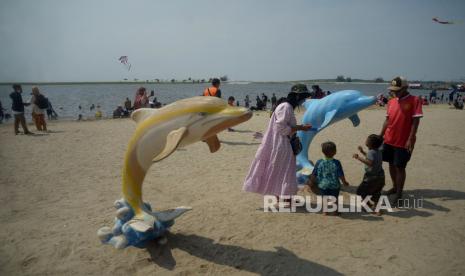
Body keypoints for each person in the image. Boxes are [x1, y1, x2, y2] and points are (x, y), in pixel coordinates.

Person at [243, 92, 312, 206]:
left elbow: (281, 125)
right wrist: (301, 127)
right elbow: (280, 126)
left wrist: (299, 128)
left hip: (277, 143)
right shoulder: (286, 107)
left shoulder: (283, 106)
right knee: (287, 171)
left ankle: (280, 198)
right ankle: (287, 200)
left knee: (278, 170)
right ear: (297, 98)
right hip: (281, 144)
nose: (302, 103)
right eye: (302, 100)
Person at [380, 76, 422, 203]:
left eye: (397, 90)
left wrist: (411, 138)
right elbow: (387, 120)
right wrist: (380, 135)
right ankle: (394, 186)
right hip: (389, 139)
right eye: (393, 90)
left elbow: (416, 121)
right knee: (391, 164)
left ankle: (399, 193)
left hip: (403, 141)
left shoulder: (415, 100)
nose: (394, 92)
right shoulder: (391, 101)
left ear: (405, 88)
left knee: (400, 167)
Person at [307, 141, 349, 215]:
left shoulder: (319, 162)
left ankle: (325, 211)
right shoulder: (336, 162)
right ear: (335, 152)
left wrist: (311, 181)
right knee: (335, 198)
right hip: (334, 185)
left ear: (323, 152)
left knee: (324, 198)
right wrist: (344, 182)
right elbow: (340, 174)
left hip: (323, 185)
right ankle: (335, 211)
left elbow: (314, 173)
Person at [353, 134, 385, 215]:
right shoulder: (378, 151)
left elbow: (369, 162)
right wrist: (362, 151)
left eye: (367, 140)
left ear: (370, 144)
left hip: (371, 178)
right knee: (376, 192)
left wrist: (358, 158)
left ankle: (368, 206)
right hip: (380, 176)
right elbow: (370, 157)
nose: (366, 140)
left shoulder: (371, 152)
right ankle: (377, 208)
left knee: (361, 191)